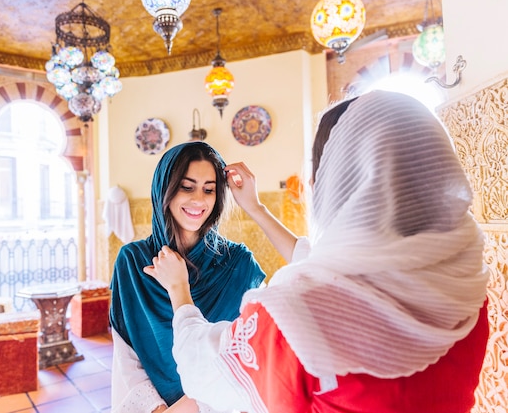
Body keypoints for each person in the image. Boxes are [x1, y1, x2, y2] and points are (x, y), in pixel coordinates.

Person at [144, 90, 490, 413]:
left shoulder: (298, 315)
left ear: (341, 181)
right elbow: (316, 260)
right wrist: (256, 208)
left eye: (318, 171)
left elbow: (202, 370)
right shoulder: (463, 281)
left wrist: (178, 289)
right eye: (186, 188)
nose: (310, 185)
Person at [109, 141, 267, 412]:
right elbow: (126, 353)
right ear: (164, 189)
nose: (199, 200)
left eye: (209, 190)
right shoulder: (133, 261)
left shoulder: (239, 264)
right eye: (187, 186)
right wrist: (158, 409)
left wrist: (190, 406)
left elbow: (250, 351)